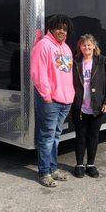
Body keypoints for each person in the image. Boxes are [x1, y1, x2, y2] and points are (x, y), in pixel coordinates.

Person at [30, 14, 75, 187]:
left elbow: (67, 74)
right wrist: (47, 96)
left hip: (65, 101)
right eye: (59, 27)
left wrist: (70, 96)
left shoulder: (67, 49)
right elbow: (37, 73)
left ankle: (53, 168)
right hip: (50, 101)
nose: (62, 31)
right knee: (47, 136)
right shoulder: (44, 45)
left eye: (65, 28)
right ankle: (44, 172)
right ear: (51, 28)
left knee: (56, 136)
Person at [71, 34, 106, 178]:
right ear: (80, 47)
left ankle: (90, 165)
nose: (86, 47)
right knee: (80, 136)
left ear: (94, 46)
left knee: (93, 136)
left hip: (97, 108)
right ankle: (79, 164)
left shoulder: (102, 62)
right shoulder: (75, 62)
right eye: (84, 45)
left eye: (89, 45)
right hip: (79, 107)